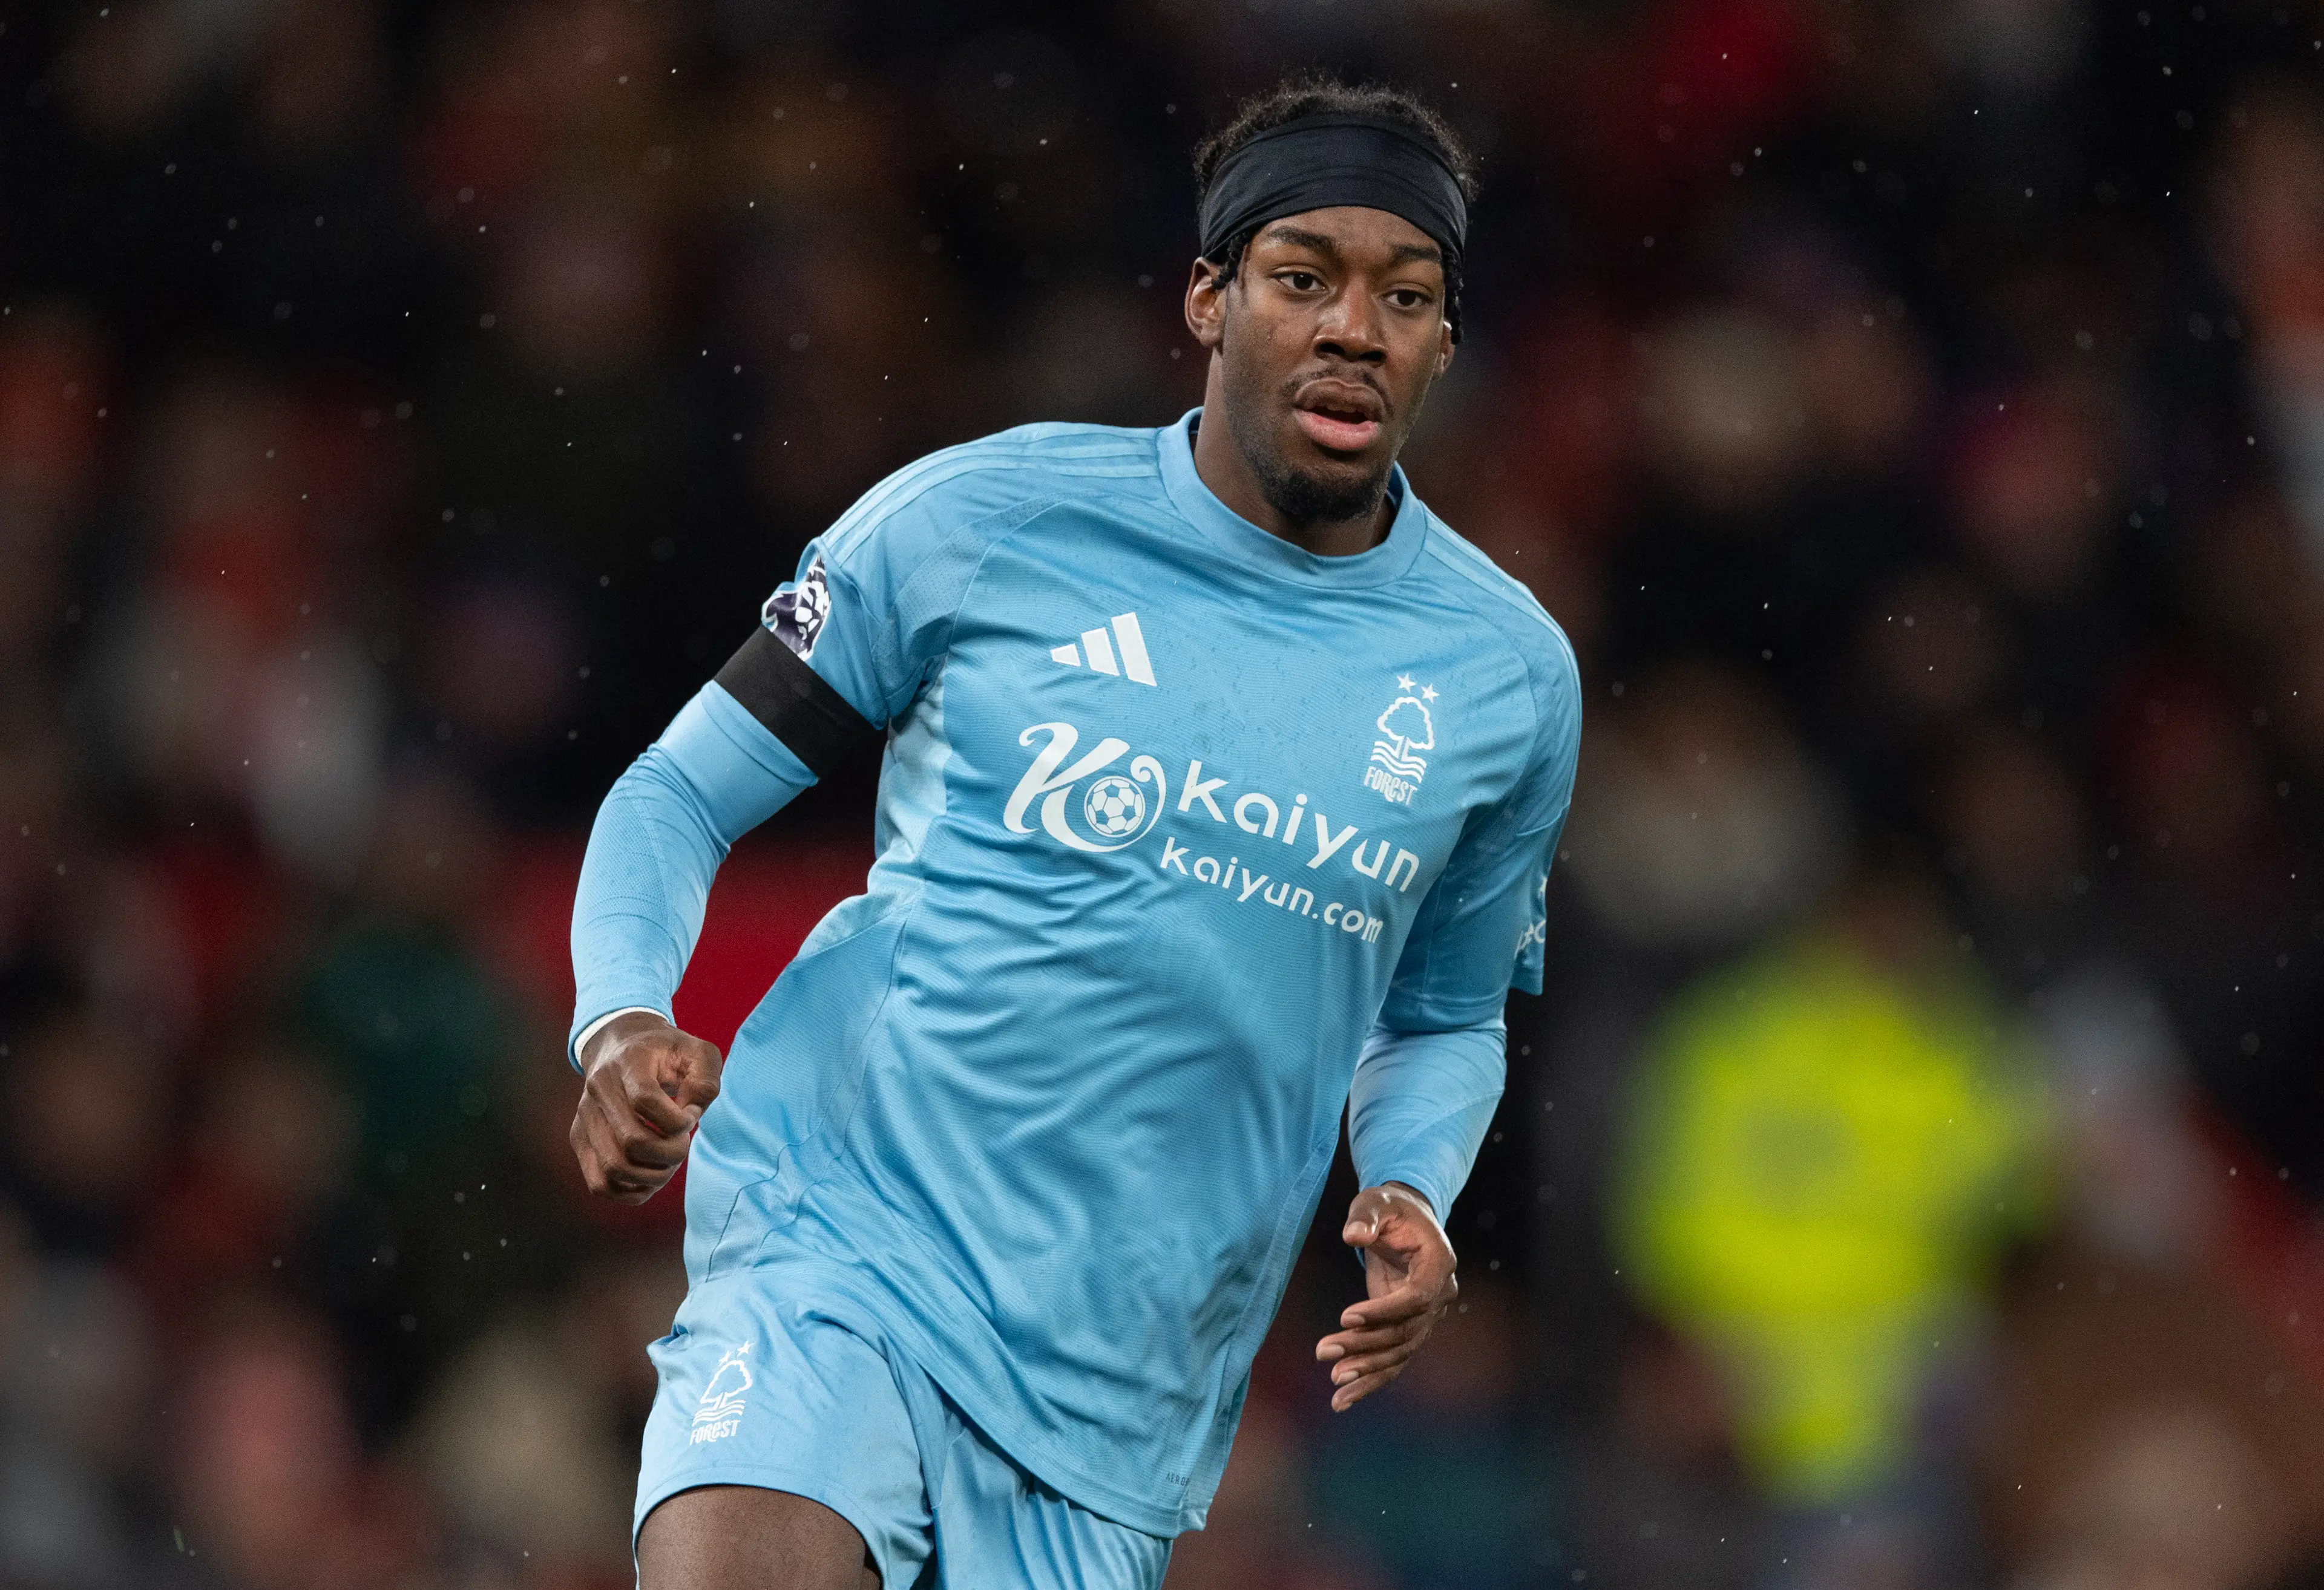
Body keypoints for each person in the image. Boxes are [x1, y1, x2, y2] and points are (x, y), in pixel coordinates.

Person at [565, 74, 1582, 1590]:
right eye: (1303, 278)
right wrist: (617, 1025)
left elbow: (1444, 1014)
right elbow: (676, 792)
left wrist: (1416, 1191)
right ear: (1208, 298)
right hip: (843, 1248)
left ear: (1443, 339)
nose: (1353, 328)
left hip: (1116, 1409)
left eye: (1408, 294)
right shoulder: (981, 522)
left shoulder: (1505, 676)